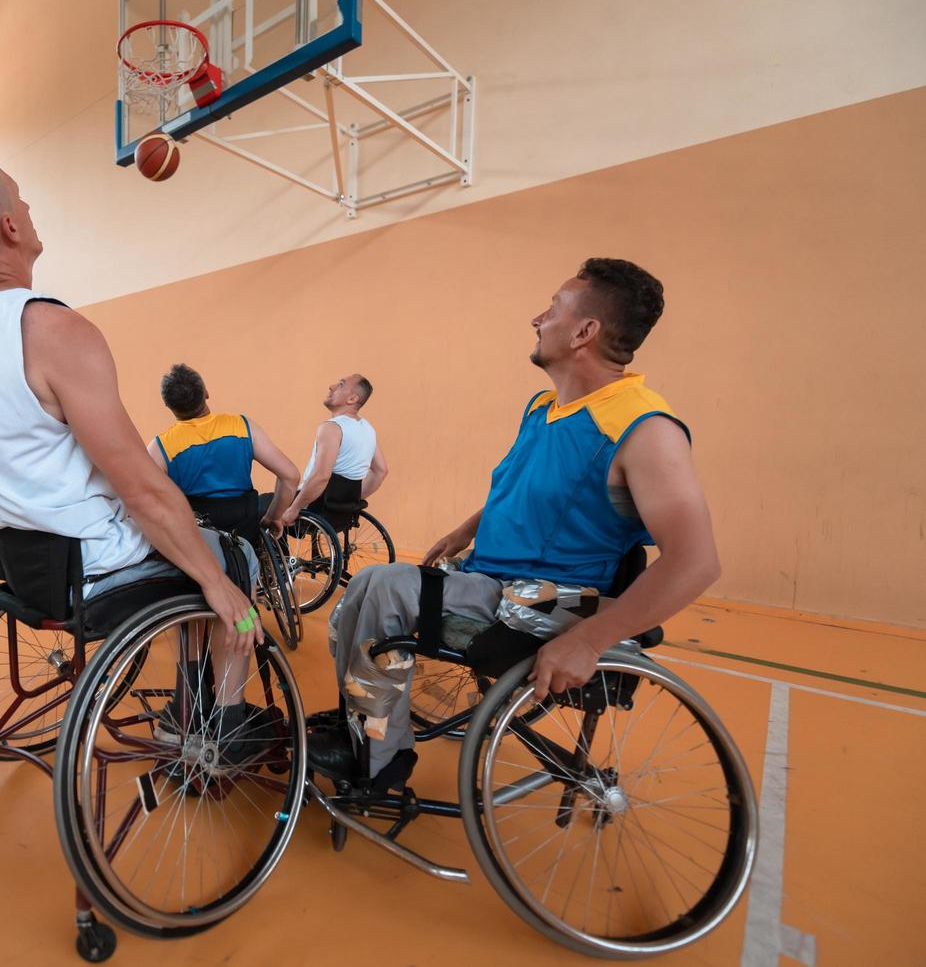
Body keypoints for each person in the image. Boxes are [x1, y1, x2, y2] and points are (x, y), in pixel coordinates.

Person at [0, 139, 266, 749]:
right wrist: (215, 580)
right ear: (11, 225)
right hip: (100, 571)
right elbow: (146, 491)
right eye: (21, 197)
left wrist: (14, 547)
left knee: (196, 555)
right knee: (236, 561)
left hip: (28, 575)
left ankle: (192, 695)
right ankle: (222, 723)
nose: (28, 206)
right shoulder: (54, 329)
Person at [309, 259, 721, 786]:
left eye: (553, 307)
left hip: (544, 599)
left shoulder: (644, 428)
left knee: (382, 584)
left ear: (584, 331)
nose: (537, 318)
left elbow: (696, 561)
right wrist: (467, 528)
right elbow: (532, 488)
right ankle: (362, 717)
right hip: (492, 580)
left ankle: (378, 759)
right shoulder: (544, 408)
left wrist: (590, 641)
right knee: (370, 585)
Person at [147, 363, 300, 540]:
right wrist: (272, 518)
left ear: (168, 404)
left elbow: (151, 503)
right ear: (206, 393)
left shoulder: (160, 448)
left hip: (200, 538)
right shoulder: (242, 426)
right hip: (245, 531)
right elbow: (290, 476)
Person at [279, 373, 388, 529]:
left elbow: (321, 476)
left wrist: (294, 509)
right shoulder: (367, 429)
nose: (332, 386)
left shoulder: (332, 428)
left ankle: (273, 553)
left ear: (352, 399)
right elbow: (381, 471)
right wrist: (351, 501)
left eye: (341, 384)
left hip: (316, 506)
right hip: (339, 509)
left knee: (263, 507)